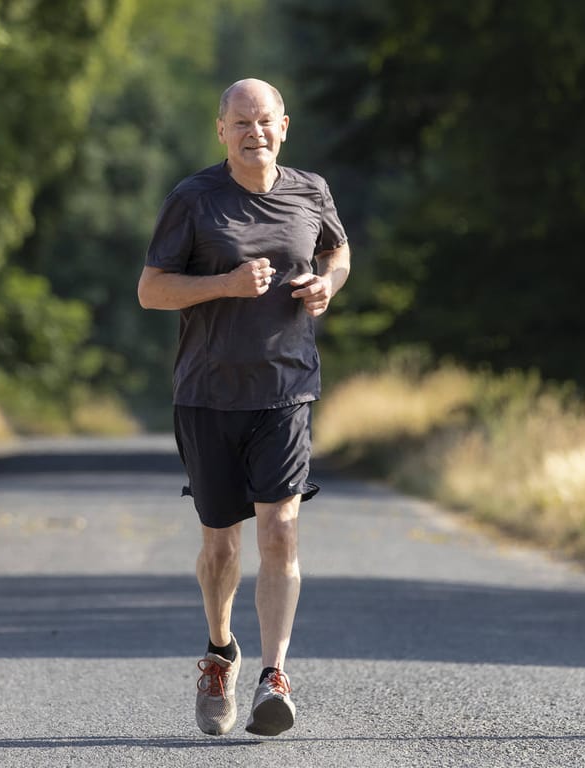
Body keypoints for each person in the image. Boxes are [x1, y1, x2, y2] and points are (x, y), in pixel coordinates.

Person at [138, 78, 350, 737]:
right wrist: (225, 284)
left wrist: (327, 284)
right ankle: (220, 650)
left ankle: (275, 675)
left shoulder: (310, 190)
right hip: (207, 394)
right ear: (221, 131)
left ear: (284, 126)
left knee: (280, 530)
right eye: (241, 122)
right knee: (220, 543)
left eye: (265, 121)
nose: (254, 131)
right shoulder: (194, 199)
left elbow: (338, 250)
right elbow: (151, 290)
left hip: (286, 388)